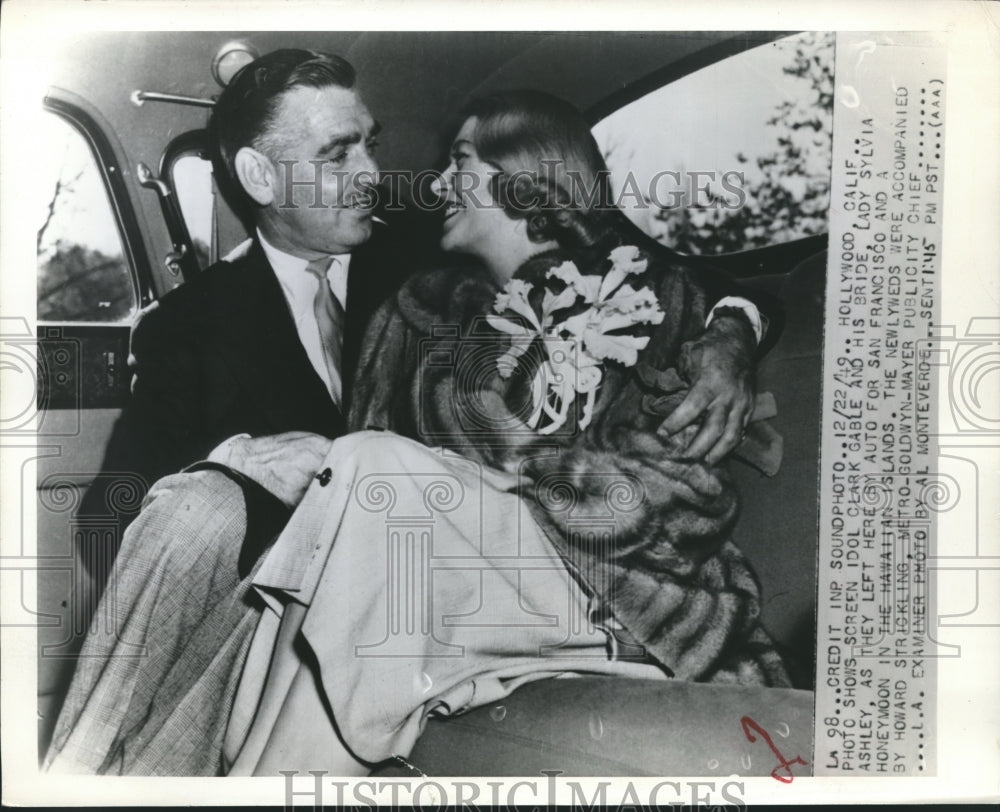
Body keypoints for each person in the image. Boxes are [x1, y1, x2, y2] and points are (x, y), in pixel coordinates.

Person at [45, 55, 779, 775]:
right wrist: (241, 458)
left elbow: (631, 257)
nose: (373, 173)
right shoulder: (190, 325)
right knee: (198, 503)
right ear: (261, 177)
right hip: (275, 582)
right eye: (340, 153)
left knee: (361, 474)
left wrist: (732, 330)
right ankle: (80, 774)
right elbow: (117, 514)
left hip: (426, 551)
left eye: (371, 142)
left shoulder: (429, 249)